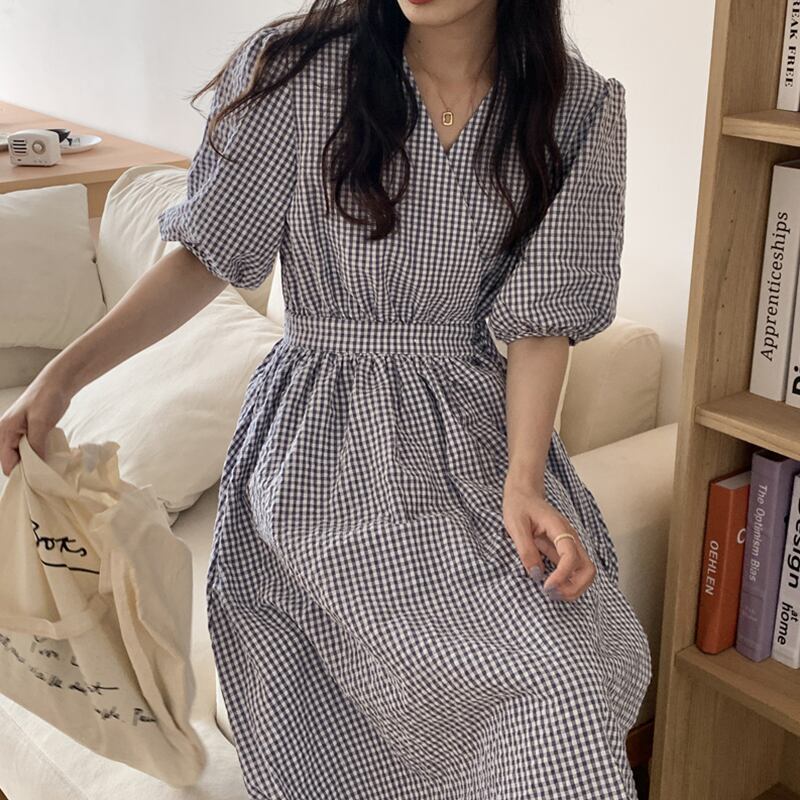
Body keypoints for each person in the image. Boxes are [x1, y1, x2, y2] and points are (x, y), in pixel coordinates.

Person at [0, 0, 652, 797]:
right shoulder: (299, 72)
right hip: (321, 446)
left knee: (569, 673)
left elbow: (543, 321)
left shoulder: (576, 107)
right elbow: (206, 256)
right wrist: (60, 379)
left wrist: (525, 479)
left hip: (474, 440)